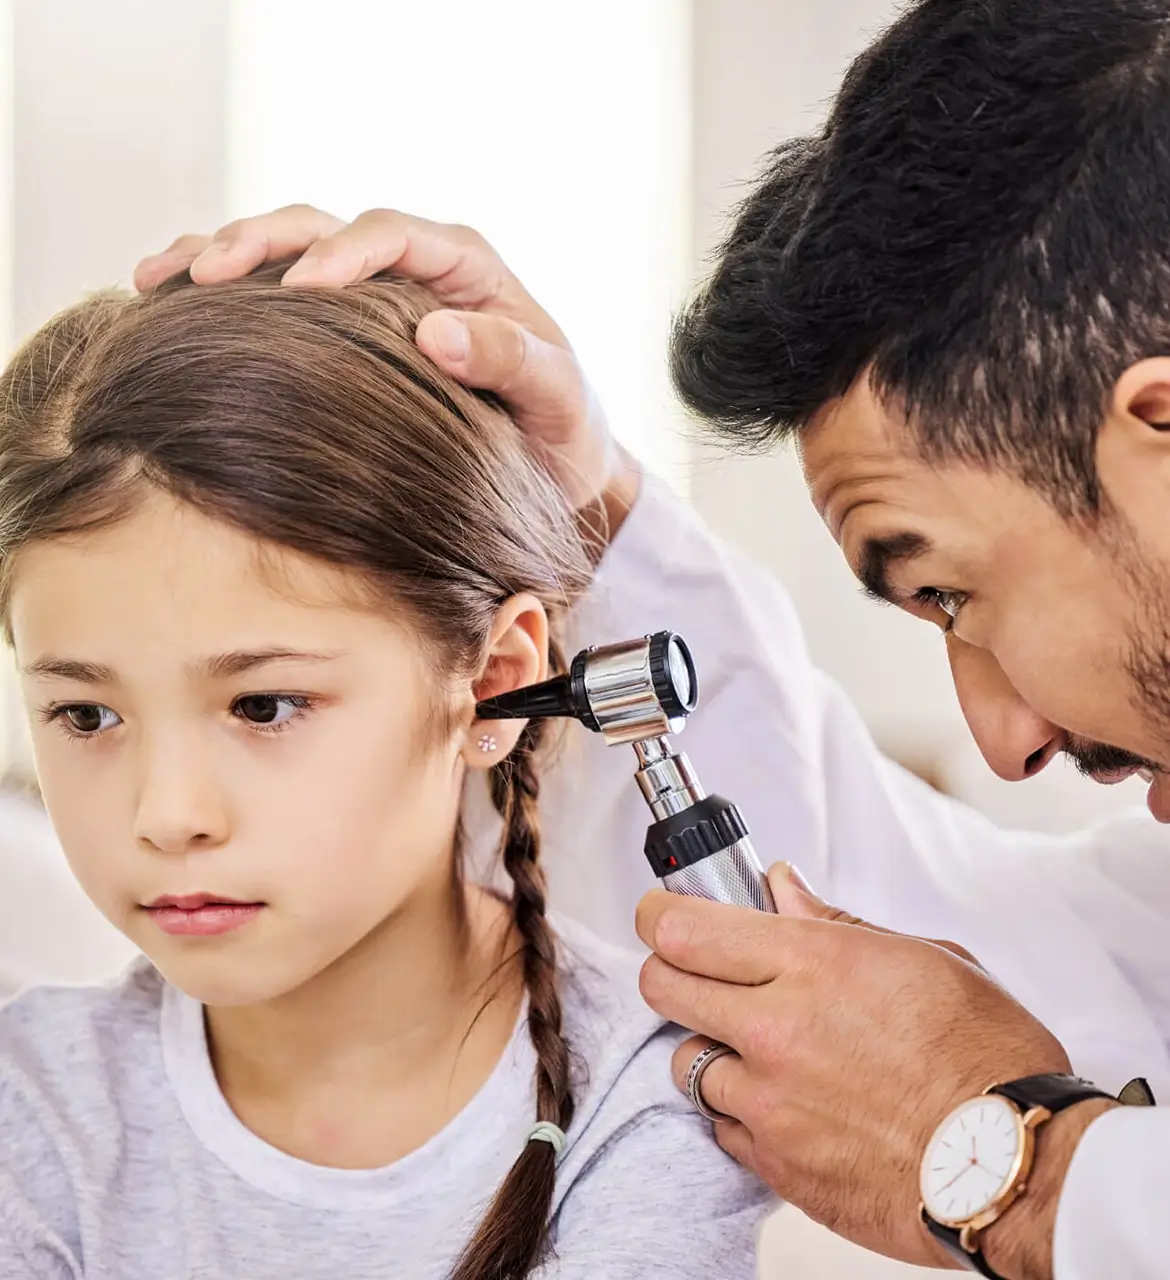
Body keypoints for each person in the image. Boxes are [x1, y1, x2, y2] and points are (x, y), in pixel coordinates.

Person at [129, 159, 1170, 1271]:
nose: (1007, 744)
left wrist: (1030, 1174)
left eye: (954, 590)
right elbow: (913, 945)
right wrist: (588, 503)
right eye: (84, 710)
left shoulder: (634, 1139)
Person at [0, 266, 772, 1277]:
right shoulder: (34, 1107)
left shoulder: (649, 1096)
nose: (168, 813)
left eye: (264, 705)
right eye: (87, 713)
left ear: (494, 681)